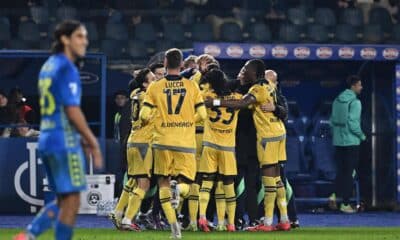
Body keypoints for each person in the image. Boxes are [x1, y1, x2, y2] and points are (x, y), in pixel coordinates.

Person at [14, 20, 103, 240]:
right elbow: (72, 110)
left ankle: (30, 234)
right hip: (64, 141)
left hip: (47, 138)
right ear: (65, 39)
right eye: (80, 36)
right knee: (72, 201)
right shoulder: (67, 67)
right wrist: (91, 140)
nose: (85, 41)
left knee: (64, 199)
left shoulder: (49, 65)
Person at [205, 59, 290, 232]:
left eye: (246, 69)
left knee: (268, 180)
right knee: (276, 178)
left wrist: (214, 102)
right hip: (279, 132)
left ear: (255, 72)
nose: (243, 71)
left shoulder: (256, 88)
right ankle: (284, 219)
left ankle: (266, 223)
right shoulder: (269, 85)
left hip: (267, 136)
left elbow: (241, 104)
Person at [139, 48, 207, 239]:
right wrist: (187, 121)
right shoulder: (192, 86)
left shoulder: (154, 87)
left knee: (163, 184)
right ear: (183, 65)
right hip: (185, 141)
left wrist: (153, 119)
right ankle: (181, 190)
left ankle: (174, 229)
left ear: (166, 64)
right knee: (186, 182)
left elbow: (144, 115)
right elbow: (202, 115)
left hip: (161, 141)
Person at [110, 68, 156, 231]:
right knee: (144, 184)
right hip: (144, 142)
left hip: (133, 140)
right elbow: (147, 116)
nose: (156, 80)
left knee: (133, 180)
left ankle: (117, 212)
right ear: (145, 83)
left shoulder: (135, 93)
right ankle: (128, 219)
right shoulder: (149, 96)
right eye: (152, 79)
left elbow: (135, 87)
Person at [197, 69, 241, 232]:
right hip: (227, 148)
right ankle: (229, 224)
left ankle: (202, 217)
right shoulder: (236, 98)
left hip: (209, 145)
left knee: (206, 183)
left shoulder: (206, 97)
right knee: (227, 186)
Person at [264, 70, 299, 228]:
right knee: (272, 182)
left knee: (279, 181)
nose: (267, 84)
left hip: (273, 143)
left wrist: (274, 108)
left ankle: (288, 218)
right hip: (259, 144)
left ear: (276, 83)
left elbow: (285, 114)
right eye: (265, 80)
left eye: (271, 81)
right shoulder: (256, 93)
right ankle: (278, 219)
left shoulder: (279, 97)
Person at [329, 75, 366, 214]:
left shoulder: (338, 100)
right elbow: (353, 123)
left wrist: (338, 136)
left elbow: (331, 121)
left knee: (341, 171)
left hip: (338, 143)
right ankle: (345, 203)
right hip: (352, 143)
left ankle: (333, 195)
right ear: (354, 86)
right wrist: (362, 136)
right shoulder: (356, 102)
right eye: (360, 85)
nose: (361, 87)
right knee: (350, 173)